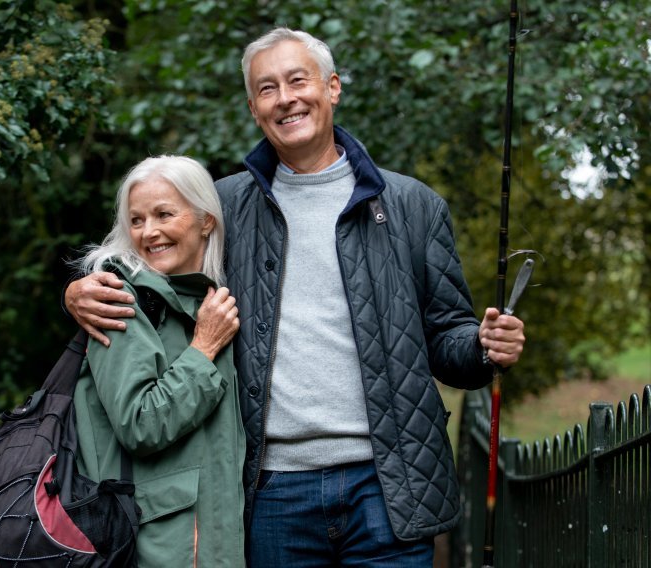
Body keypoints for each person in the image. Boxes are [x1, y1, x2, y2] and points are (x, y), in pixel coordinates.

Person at [66, 28, 526, 567]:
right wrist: (81, 289)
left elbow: (448, 339)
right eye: (267, 88)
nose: (285, 98)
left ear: (331, 88)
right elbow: (151, 261)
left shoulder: (412, 206)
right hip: (271, 491)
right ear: (254, 107)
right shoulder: (225, 205)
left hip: (388, 486)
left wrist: (482, 345)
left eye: (297, 80)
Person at [71, 155, 245, 567]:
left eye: (164, 214)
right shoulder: (117, 300)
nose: (149, 232)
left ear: (206, 220)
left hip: (216, 541)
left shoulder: (208, 299)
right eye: (136, 220)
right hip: (154, 548)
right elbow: (139, 423)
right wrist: (202, 350)